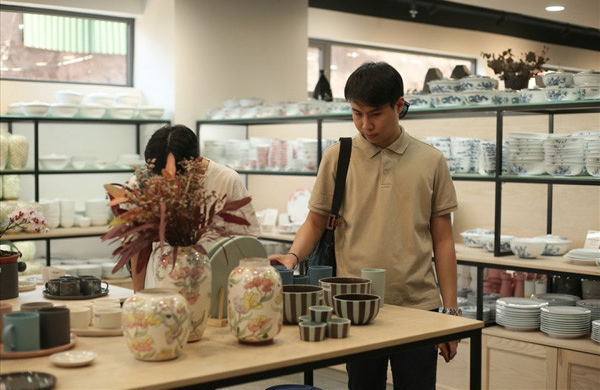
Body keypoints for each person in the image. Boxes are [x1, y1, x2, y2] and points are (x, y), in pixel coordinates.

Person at [268, 62, 460, 390]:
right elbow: (314, 222)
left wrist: (450, 313)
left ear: (399, 105)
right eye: (356, 114)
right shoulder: (337, 156)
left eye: (375, 114)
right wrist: (292, 256)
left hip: (418, 306)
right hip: (353, 305)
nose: (365, 125)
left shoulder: (431, 160)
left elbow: (443, 239)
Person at [130, 124, 261, 290]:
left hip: (214, 285)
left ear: (197, 162)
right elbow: (138, 248)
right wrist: (139, 296)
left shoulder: (226, 180)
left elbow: (247, 245)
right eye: (159, 177)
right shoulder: (142, 184)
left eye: (176, 178)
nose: (168, 185)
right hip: (159, 283)